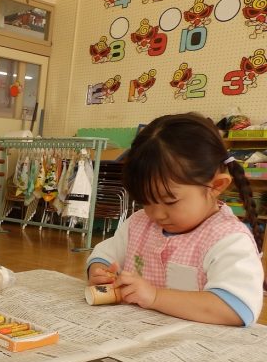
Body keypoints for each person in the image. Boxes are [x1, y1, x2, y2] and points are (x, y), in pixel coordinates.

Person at [87, 112, 264, 326]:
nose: (156, 214)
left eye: (169, 201)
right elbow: (106, 254)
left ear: (216, 186)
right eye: (146, 201)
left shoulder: (228, 239)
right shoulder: (139, 224)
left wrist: (155, 297)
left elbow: (236, 307)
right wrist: (99, 270)